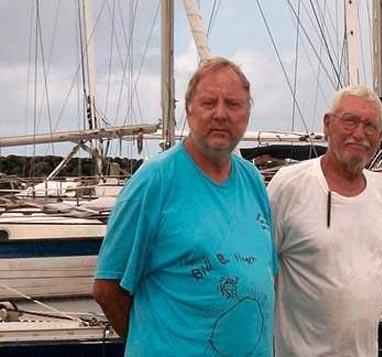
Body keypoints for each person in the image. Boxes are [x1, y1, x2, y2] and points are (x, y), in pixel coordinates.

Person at [92, 57, 277, 356]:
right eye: (208, 103)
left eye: (232, 104)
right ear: (189, 111)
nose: (220, 114)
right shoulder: (154, 182)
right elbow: (107, 290)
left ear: (248, 111)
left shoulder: (253, 180)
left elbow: (268, 273)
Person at [268, 85, 382, 356]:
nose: (359, 133)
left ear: (381, 136)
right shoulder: (288, 186)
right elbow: (262, 272)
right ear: (328, 125)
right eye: (350, 121)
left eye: (370, 126)